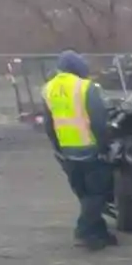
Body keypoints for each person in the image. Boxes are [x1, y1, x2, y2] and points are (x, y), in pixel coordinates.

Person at [42, 52, 117, 250]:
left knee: (85, 193)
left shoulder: (48, 89)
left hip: (68, 151)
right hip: (90, 148)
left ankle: (99, 232)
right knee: (98, 193)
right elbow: (99, 121)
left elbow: (49, 124)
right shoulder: (85, 88)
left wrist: (57, 148)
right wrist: (105, 146)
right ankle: (83, 231)